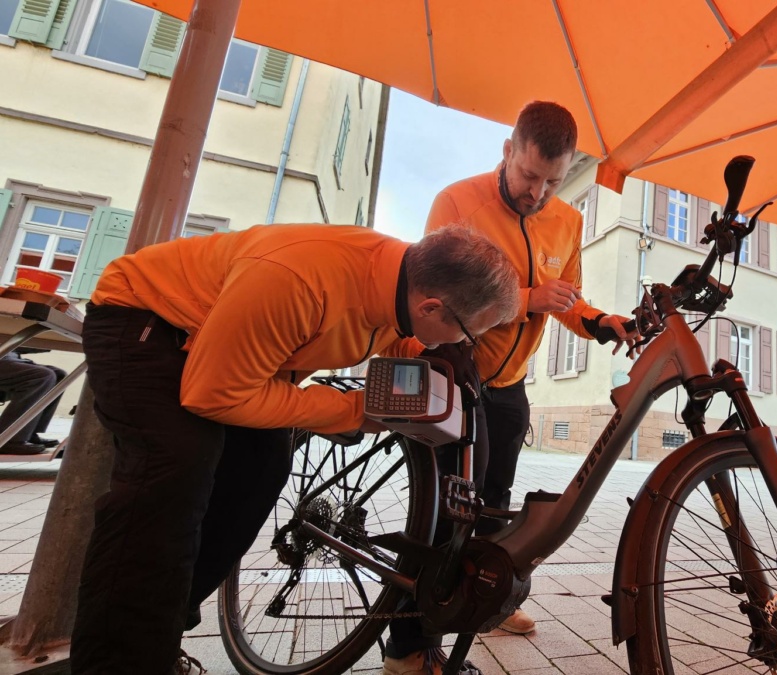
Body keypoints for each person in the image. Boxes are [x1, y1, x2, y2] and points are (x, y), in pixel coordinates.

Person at [69, 224, 521, 675]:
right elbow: (213, 395)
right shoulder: (299, 279)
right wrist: (351, 411)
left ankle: (162, 626)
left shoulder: (404, 283)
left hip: (227, 347)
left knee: (262, 468)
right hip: (148, 320)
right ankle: (116, 663)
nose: (461, 344)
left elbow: (393, 332)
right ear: (431, 306)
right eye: (466, 333)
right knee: (174, 470)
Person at [381, 101, 636, 675]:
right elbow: (435, 295)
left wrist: (599, 322)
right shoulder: (456, 203)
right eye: (528, 176)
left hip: (509, 386)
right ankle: (404, 651)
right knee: (443, 520)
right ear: (508, 151)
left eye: (552, 180)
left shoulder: (567, 222)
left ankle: (480, 605)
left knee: (494, 509)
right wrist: (526, 300)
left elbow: (568, 297)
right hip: (451, 373)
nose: (537, 192)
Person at [0, 349, 67, 455]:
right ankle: (9, 438)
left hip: (9, 355)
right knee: (42, 376)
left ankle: (28, 433)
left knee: (59, 375)